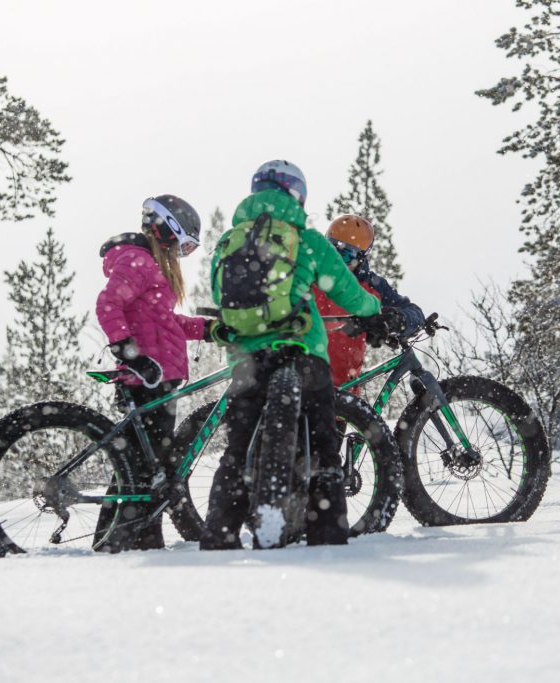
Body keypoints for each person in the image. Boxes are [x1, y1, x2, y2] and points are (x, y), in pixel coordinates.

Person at [199, 160, 387, 550]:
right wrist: (373, 309)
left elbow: (221, 296)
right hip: (303, 354)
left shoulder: (229, 240)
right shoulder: (307, 240)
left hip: (248, 360)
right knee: (322, 449)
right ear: (297, 194)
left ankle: (220, 535)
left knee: (236, 452)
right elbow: (345, 291)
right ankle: (325, 536)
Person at [94, 194, 208, 551]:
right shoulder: (137, 261)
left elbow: (165, 322)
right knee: (143, 468)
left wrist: (207, 329)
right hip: (147, 379)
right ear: (165, 229)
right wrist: (130, 354)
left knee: (144, 468)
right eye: (182, 243)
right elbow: (107, 304)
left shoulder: (149, 265)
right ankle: (125, 541)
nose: (180, 252)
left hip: (160, 379)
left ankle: (131, 538)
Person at [314, 214, 425, 393]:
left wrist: (395, 319)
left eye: (346, 255)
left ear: (360, 258)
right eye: (331, 250)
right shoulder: (306, 276)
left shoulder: (371, 286)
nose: (336, 261)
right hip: (299, 394)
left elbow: (414, 313)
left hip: (344, 400)